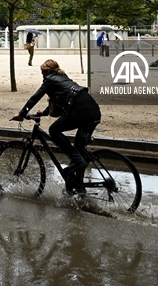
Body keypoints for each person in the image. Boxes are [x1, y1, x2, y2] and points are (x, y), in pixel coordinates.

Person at [11, 59, 100, 193]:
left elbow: (35, 97)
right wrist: (45, 112)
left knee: (54, 130)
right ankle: (79, 188)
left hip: (80, 111)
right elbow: (62, 98)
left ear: (47, 71)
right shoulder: (63, 78)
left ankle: (77, 162)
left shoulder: (49, 79)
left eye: (42, 72)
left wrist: (22, 114)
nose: (42, 76)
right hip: (93, 111)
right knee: (78, 150)